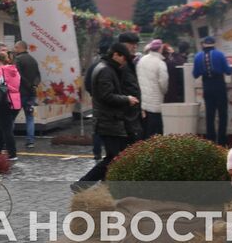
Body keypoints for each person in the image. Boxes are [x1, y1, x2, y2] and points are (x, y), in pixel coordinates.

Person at [72, 43, 141, 191]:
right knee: (113, 158)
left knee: (115, 157)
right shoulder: (106, 70)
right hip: (107, 121)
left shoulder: (106, 68)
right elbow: (106, 96)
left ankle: (103, 188)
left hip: (109, 120)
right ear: (115, 54)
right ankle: (82, 185)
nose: (124, 62)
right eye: (123, 58)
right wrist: (127, 99)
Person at [193, 36, 232, 144]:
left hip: (207, 86)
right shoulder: (219, 55)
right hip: (219, 85)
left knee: (209, 115)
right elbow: (228, 71)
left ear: (203, 44)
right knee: (222, 114)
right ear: (214, 44)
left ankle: (210, 140)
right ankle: (221, 141)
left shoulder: (198, 56)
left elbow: (195, 74)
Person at [0, 49, 22, 161]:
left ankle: (12, 154)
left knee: (6, 129)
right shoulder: (15, 70)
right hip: (16, 103)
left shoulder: (0, 70)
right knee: (1, 127)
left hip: (4, 102)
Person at [136, 39, 169, 139]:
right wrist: (164, 92)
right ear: (160, 49)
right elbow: (163, 83)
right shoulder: (160, 63)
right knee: (156, 131)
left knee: (146, 130)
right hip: (156, 101)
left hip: (144, 101)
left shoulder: (141, 60)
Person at [12, 41, 40, 148]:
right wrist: (34, 85)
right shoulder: (33, 60)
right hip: (31, 94)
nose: (14, 49)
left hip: (20, 93)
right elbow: (38, 76)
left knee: (11, 117)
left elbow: (16, 75)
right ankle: (30, 141)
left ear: (20, 48)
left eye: (15, 47)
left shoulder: (18, 59)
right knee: (29, 117)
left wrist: (28, 85)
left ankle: (8, 139)